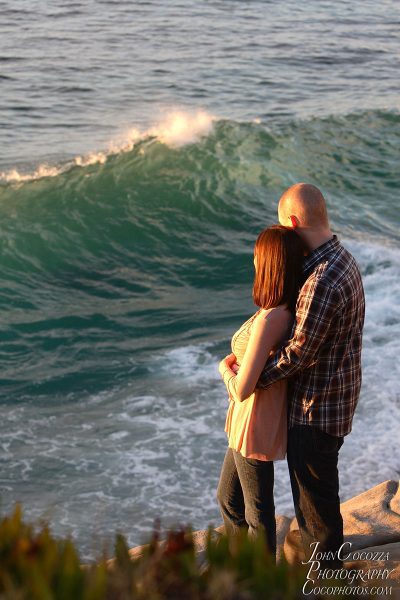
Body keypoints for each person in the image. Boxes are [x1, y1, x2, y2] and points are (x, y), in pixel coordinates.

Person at [257, 183, 365, 568]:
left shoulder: (320, 278)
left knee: (315, 510)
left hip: (315, 409)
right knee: (320, 499)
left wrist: (253, 378)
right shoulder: (344, 259)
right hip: (338, 398)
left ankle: (328, 583)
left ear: (293, 221)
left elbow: (298, 354)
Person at [217, 225, 306, 558]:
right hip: (248, 422)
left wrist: (223, 368)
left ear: (269, 262)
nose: (253, 260)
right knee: (228, 499)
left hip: (254, 424)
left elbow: (242, 389)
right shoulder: (278, 310)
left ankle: (260, 579)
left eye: (257, 254)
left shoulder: (273, 318)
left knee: (258, 515)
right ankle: (245, 569)